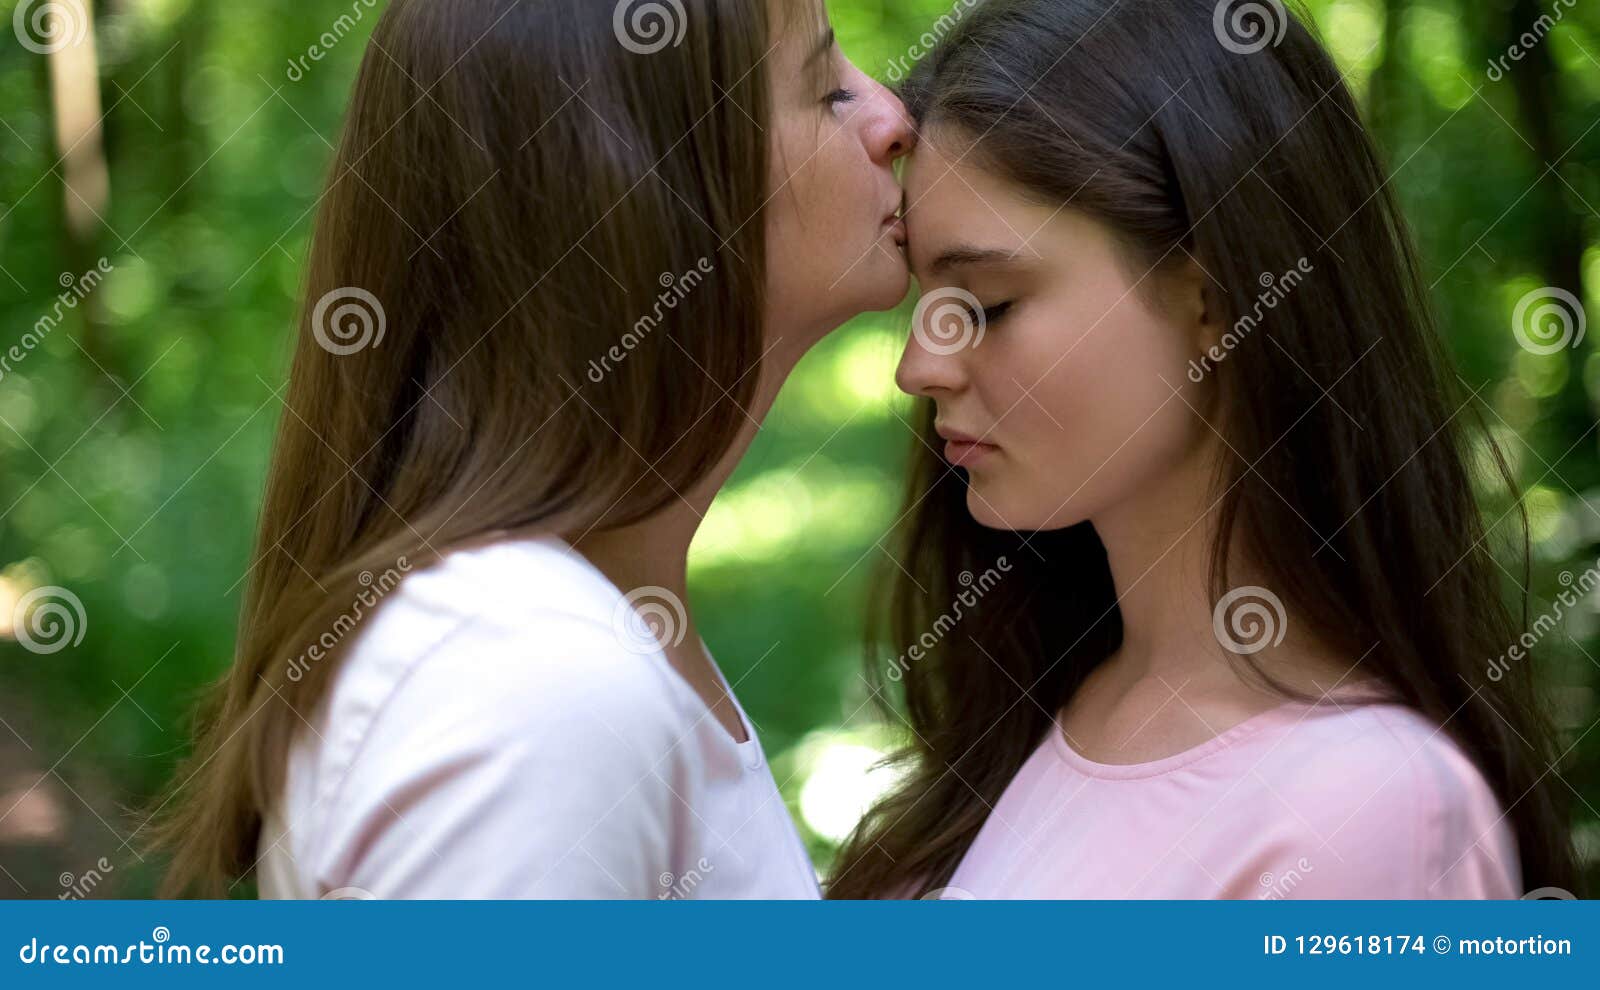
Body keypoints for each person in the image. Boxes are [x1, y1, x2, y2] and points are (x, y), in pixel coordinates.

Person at [150, 0, 914, 899]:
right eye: (826, 91)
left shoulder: (566, 634)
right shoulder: (536, 679)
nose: (894, 116)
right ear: (637, 195)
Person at [828, 0, 1579, 899]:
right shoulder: (1030, 716)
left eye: (985, 304)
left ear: (1212, 301)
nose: (919, 367)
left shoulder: (1369, 810)